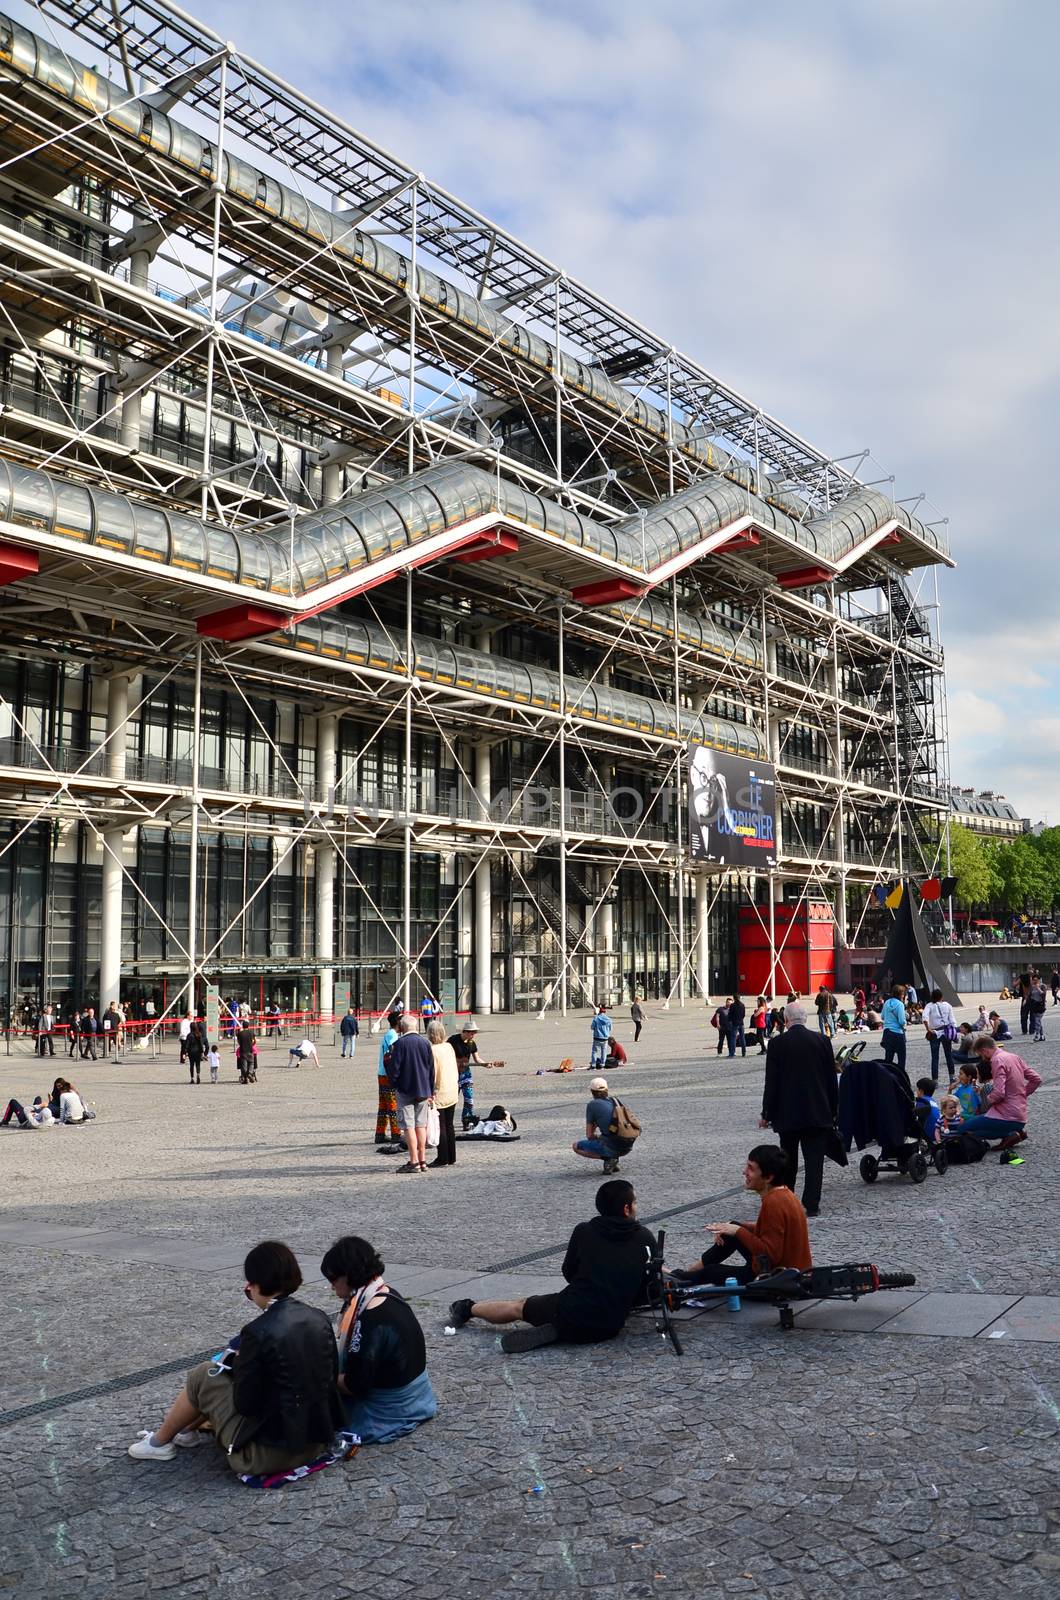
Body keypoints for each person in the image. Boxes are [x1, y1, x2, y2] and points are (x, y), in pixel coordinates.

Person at [127, 1240, 344, 1470]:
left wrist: (240, 1366)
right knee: (217, 1373)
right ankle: (183, 1432)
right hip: (316, 1442)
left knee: (204, 1373)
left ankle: (160, 1442)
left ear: (256, 1285)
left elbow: (246, 1403)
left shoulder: (257, 1331)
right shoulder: (319, 1317)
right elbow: (329, 1376)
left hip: (268, 1455)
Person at [449, 1178, 655, 1352]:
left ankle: (468, 1308)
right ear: (626, 1209)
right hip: (612, 1323)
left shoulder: (585, 1231)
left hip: (572, 1308)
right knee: (580, 1310)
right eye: (635, 1203)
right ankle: (563, 1328)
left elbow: (568, 1270)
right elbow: (648, 1285)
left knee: (519, 1306)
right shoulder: (644, 1237)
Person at [321, 1236, 437, 1443]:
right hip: (419, 1394)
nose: (331, 1287)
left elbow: (355, 1384)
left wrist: (320, 1376)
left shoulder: (370, 1318)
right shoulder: (387, 1294)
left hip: (388, 1409)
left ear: (347, 1276)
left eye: (333, 1279)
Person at [668, 1146, 811, 1286]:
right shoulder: (786, 1193)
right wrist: (733, 1227)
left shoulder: (773, 1202)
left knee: (713, 1271)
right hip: (788, 1274)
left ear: (768, 1177)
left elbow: (770, 1254)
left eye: (751, 1168)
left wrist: (738, 1231)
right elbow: (775, 1231)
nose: (744, 1172)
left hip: (777, 1281)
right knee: (732, 1230)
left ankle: (681, 1279)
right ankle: (687, 1273)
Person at [760, 1001, 837, 1218]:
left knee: (788, 1160)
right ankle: (811, 1204)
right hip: (817, 1111)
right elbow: (831, 1079)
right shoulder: (822, 1041)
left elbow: (771, 1082)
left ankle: (787, 1201)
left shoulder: (777, 1044)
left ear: (785, 1020)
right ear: (806, 1019)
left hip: (788, 1113)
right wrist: (833, 1109)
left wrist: (767, 1113)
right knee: (814, 1162)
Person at [953, 1038, 1042, 1144]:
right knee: (975, 1132)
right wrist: (1021, 1095)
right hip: (1020, 1116)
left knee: (962, 1128)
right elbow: (1037, 1079)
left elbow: (999, 1093)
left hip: (1004, 1115)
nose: (982, 1058)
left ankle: (1011, 1134)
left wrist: (987, 1100)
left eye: (981, 1055)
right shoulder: (1014, 1056)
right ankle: (1013, 1134)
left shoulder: (997, 1060)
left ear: (985, 1050)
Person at [385, 1015, 434, 1174]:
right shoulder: (425, 1043)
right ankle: (423, 1160)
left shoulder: (399, 1044)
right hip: (423, 1089)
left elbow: (394, 1070)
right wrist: (430, 1090)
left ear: (402, 1027)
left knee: (408, 1127)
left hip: (405, 1090)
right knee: (421, 1125)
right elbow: (431, 1068)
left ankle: (413, 1162)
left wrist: (394, 1084)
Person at [573, 1076, 634, 1175]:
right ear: (607, 1089)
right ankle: (612, 1158)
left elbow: (589, 1135)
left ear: (592, 1092)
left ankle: (609, 1158)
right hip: (628, 1145)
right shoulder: (615, 1101)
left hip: (612, 1145)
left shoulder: (592, 1105)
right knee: (607, 1138)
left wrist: (596, 1135)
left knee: (576, 1146)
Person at [426, 1020, 458, 1168]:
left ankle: (442, 1157)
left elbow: (433, 1073)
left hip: (440, 1091)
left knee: (441, 1126)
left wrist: (429, 1091)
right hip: (452, 1088)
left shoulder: (432, 1050)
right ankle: (452, 1156)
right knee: (450, 1124)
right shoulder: (449, 1046)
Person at [448, 1021, 482, 1129]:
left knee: (469, 1097)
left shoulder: (472, 1043)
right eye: (471, 1033)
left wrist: (485, 1064)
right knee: (452, 1099)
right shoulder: (453, 1040)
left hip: (466, 1073)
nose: (473, 1035)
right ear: (465, 1032)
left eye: (474, 1033)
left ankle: (466, 1119)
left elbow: (477, 1059)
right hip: (453, 1073)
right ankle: (448, 1122)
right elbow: (445, 1054)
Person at [375, 1009, 402, 1146]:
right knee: (392, 1105)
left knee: (384, 1105)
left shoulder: (389, 1034)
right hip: (388, 1075)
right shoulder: (393, 1036)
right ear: (398, 1022)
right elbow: (391, 1056)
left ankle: (380, 1133)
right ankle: (396, 1133)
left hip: (382, 1073)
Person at [922, 988, 957, 1088]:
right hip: (946, 1032)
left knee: (935, 1057)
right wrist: (953, 1033)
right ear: (941, 996)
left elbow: (924, 1018)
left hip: (934, 1033)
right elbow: (952, 1021)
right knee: (948, 1055)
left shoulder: (929, 1005)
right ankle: (952, 1077)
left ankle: (935, 1081)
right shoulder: (947, 1005)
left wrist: (928, 1029)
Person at [881, 984, 908, 1071]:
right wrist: (905, 1021)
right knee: (901, 1058)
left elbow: (882, 1016)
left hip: (887, 1032)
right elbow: (901, 1021)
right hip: (897, 1033)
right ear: (901, 994)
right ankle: (900, 1078)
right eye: (903, 994)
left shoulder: (887, 1002)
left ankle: (886, 1077)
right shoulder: (900, 1004)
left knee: (888, 1058)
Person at [589, 1004, 612, 1069]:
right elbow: (610, 1029)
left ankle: (593, 1064)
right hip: (605, 1038)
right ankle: (602, 1064)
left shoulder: (596, 1018)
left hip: (597, 1037)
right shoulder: (609, 1019)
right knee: (604, 1051)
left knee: (594, 1051)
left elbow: (592, 1027)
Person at [727, 993, 747, 1058]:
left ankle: (732, 1053)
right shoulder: (742, 1005)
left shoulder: (733, 1005)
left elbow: (730, 1014)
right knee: (742, 1038)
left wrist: (730, 1020)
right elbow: (743, 1014)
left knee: (733, 1038)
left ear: (734, 998)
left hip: (734, 1023)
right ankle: (743, 1052)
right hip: (741, 1023)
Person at [1028, 977, 1047, 1041]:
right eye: (1033, 980)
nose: (1035, 981)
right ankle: (1042, 1036)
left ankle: (1037, 1035)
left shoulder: (1043, 986)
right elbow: (1030, 996)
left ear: (1039, 980)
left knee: (1037, 1020)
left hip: (1040, 1006)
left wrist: (1038, 988)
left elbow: (1043, 995)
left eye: (1036, 980)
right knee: (1038, 1021)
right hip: (1034, 1006)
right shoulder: (1032, 987)